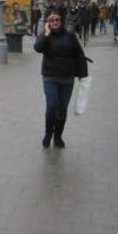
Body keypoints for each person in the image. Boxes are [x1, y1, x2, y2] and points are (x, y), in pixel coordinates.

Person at [34, 12, 85, 148]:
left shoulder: (70, 35)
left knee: (62, 108)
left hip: (67, 78)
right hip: (50, 77)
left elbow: (79, 54)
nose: (55, 22)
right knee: (52, 105)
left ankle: (58, 136)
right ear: (48, 23)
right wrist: (46, 33)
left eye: (57, 20)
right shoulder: (45, 36)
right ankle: (48, 134)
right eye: (52, 20)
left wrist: (82, 73)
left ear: (61, 22)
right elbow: (37, 48)